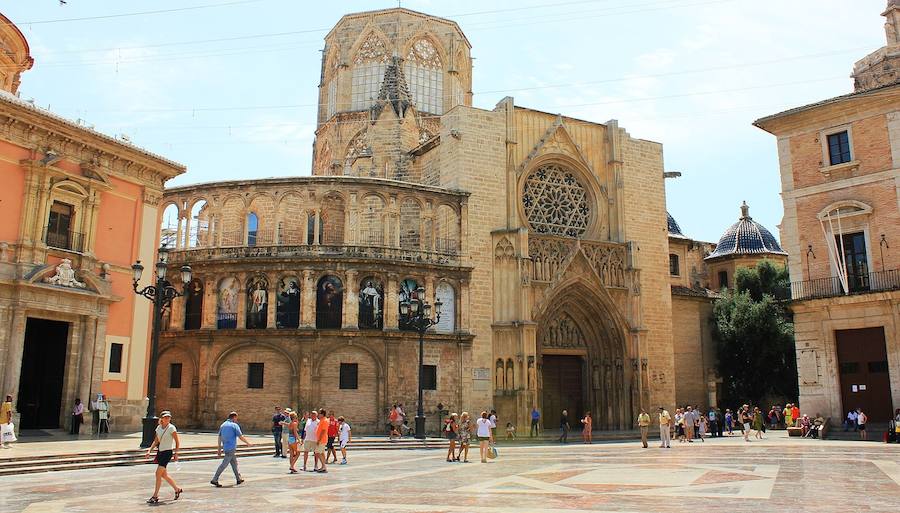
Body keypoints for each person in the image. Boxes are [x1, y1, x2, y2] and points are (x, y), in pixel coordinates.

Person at [145, 411, 182, 504]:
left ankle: (155, 496)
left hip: (167, 453)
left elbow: (177, 442)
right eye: (165, 417)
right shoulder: (159, 428)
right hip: (160, 452)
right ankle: (177, 489)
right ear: (161, 418)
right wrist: (149, 450)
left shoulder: (171, 428)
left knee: (158, 473)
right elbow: (156, 440)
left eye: (169, 417)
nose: (167, 419)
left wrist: (176, 453)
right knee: (164, 475)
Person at [211, 411, 251, 487]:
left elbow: (219, 437)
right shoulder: (234, 425)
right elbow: (240, 436)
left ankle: (238, 478)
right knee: (224, 464)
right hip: (231, 448)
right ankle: (215, 479)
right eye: (236, 418)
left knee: (234, 463)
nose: (237, 420)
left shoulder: (223, 425)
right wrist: (247, 443)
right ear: (234, 417)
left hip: (226, 447)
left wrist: (219, 449)